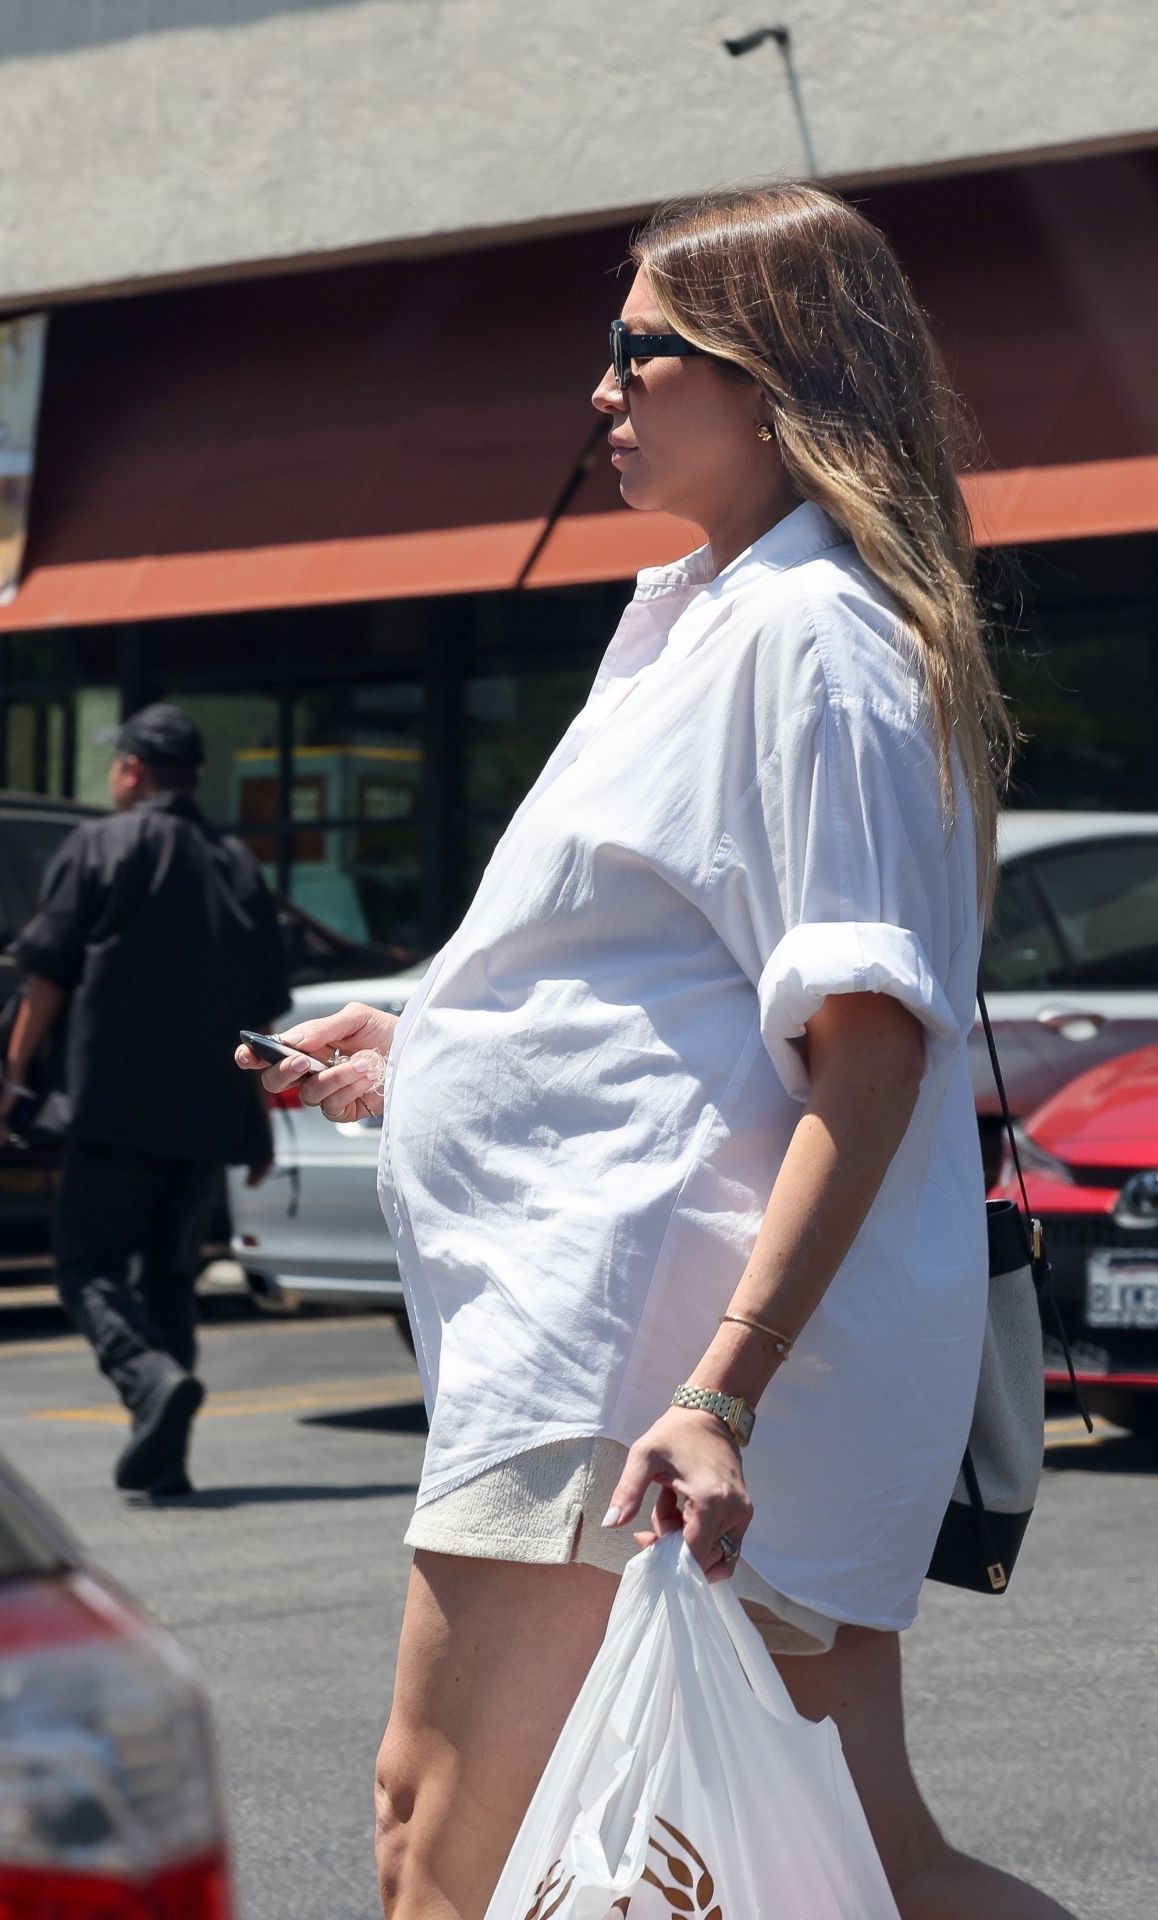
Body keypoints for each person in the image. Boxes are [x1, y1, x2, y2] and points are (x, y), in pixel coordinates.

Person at [238, 185, 1077, 1920]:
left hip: (639, 1364)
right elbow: (670, 979)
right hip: (636, 1349)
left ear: (773, 377)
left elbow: (869, 1060)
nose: (602, 388)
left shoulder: (814, 639)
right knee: (864, 1868)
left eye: (641, 350)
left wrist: (717, 1394)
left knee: (443, 1845)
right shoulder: (703, 615)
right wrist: (429, 1043)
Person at [6, 702, 287, 1497]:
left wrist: (12, 1080)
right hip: (205, 1115)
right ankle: (165, 1463)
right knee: (169, 1281)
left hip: (113, 1109)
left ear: (131, 770)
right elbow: (260, 1014)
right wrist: (260, 1121)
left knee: (86, 1267)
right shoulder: (236, 862)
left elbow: (48, 973)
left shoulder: (102, 842)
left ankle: (148, 1381)